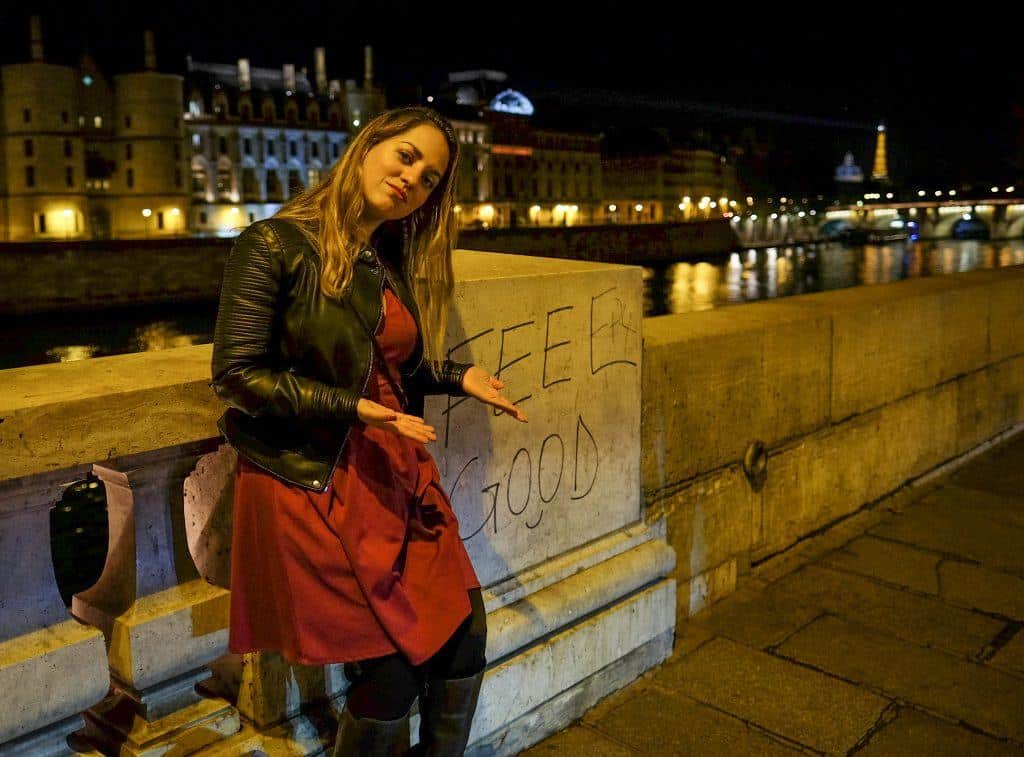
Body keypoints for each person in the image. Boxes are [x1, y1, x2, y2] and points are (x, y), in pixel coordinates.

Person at [210, 106, 528, 756]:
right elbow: (237, 374)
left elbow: (392, 361)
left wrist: (456, 375)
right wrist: (352, 409)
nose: (414, 178)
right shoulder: (271, 244)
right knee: (390, 671)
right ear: (368, 145)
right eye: (405, 156)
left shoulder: (383, 255)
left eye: (431, 176)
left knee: (466, 635)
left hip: (394, 470)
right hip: (316, 477)